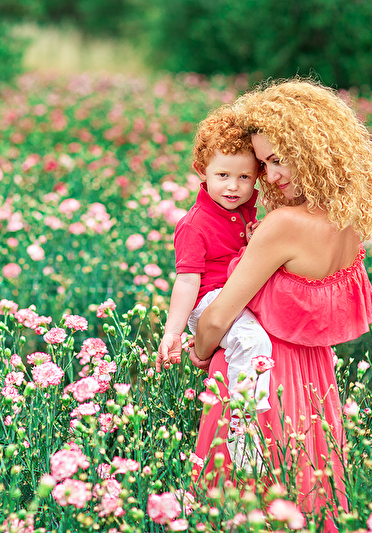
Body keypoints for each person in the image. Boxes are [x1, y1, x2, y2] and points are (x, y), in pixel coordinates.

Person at [190, 79, 372, 529]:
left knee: (247, 501)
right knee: (306, 494)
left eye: (278, 159)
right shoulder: (349, 216)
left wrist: (199, 353)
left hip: (261, 376)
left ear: (312, 146)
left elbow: (219, 316)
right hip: (317, 381)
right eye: (264, 164)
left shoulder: (284, 224)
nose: (271, 176)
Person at [156, 105, 272, 472]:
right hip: (208, 299)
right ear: (201, 171)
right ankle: (242, 431)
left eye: (244, 176)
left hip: (238, 295)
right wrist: (173, 331)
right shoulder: (195, 224)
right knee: (256, 344)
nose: (234, 186)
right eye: (222, 175)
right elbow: (187, 280)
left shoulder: (246, 209)